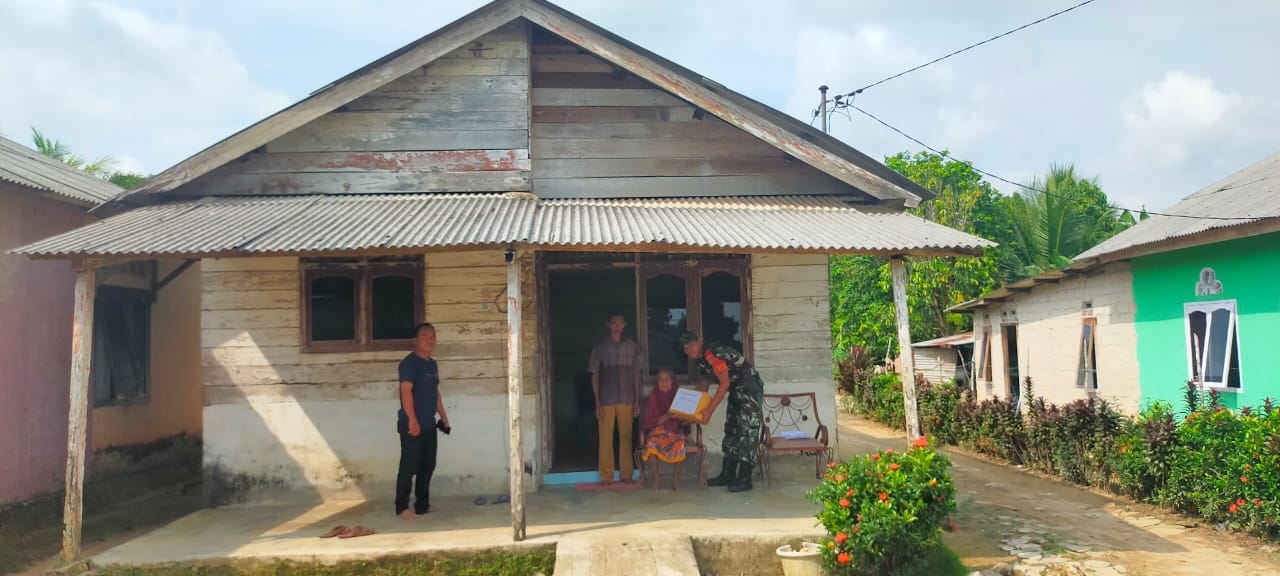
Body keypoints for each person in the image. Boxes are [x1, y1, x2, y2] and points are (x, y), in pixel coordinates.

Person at [679, 331, 763, 493]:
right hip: (736, 389)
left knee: (746, 431)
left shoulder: (713, 354)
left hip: (749, 388)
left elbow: (723, 384)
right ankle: (727, 475)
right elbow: (703, 387)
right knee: (731, 429)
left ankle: (745, 479)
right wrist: (687, 411)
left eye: (691, 344)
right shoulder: (701, 360)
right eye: (685, 346)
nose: (688, 349)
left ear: (700, 341)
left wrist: (709, 411)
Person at [396, 322, 450, 519]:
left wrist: (443, 417)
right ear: (415, 340)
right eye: (425, 336)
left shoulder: (432, 364)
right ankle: (402, 507)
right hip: (411, 425)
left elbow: (435, 393)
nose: (430, 340)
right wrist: (412, 420)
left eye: (433, 336)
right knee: (409, 467)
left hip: (428, 425)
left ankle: (422, 505)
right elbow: (405, 391)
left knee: (428, 465)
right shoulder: (410, 363)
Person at [588, 309, 643, 484]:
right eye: (614, 322)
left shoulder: (632, 347)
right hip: (606, 398)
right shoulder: (601, 347)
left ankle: (626, 475)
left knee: (626, 436)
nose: (617, 326)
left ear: (625, 325)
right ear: (608, 325)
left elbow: (636, 375)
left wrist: (636, 400)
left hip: (627, 397)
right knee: (605, 437)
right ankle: (606, 476)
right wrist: (597, 402)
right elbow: (595, 375)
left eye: (620, 322)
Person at [641, 368, 689, 491]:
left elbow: (685, 421)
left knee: (681, 444)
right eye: (661, 380)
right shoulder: (653, 396)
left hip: (675, 432)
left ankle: (675, 480)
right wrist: (667, 416)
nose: (664, 383)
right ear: (657, 382)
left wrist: (682, 418)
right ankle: (657, 479)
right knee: (651, 446)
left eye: (667, 380)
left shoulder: (679, 396)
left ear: (672, 381)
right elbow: (649, 421)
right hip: (658, 433)